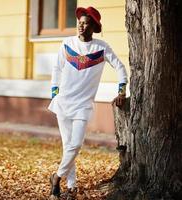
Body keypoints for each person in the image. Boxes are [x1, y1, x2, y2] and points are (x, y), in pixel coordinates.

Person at [47, 6, 128, 200]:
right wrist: (54, 94)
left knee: (75, 145)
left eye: (86, 23)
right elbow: (57, 69)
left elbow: (120, 67)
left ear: (94, 27)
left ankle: (56, 177)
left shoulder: (101, 48)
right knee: (68, 145)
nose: (81, 26)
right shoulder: (67, 43)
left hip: (83, 105)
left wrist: (122, 91)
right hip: (63, 102)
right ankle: (71, 185)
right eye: (80, 22)